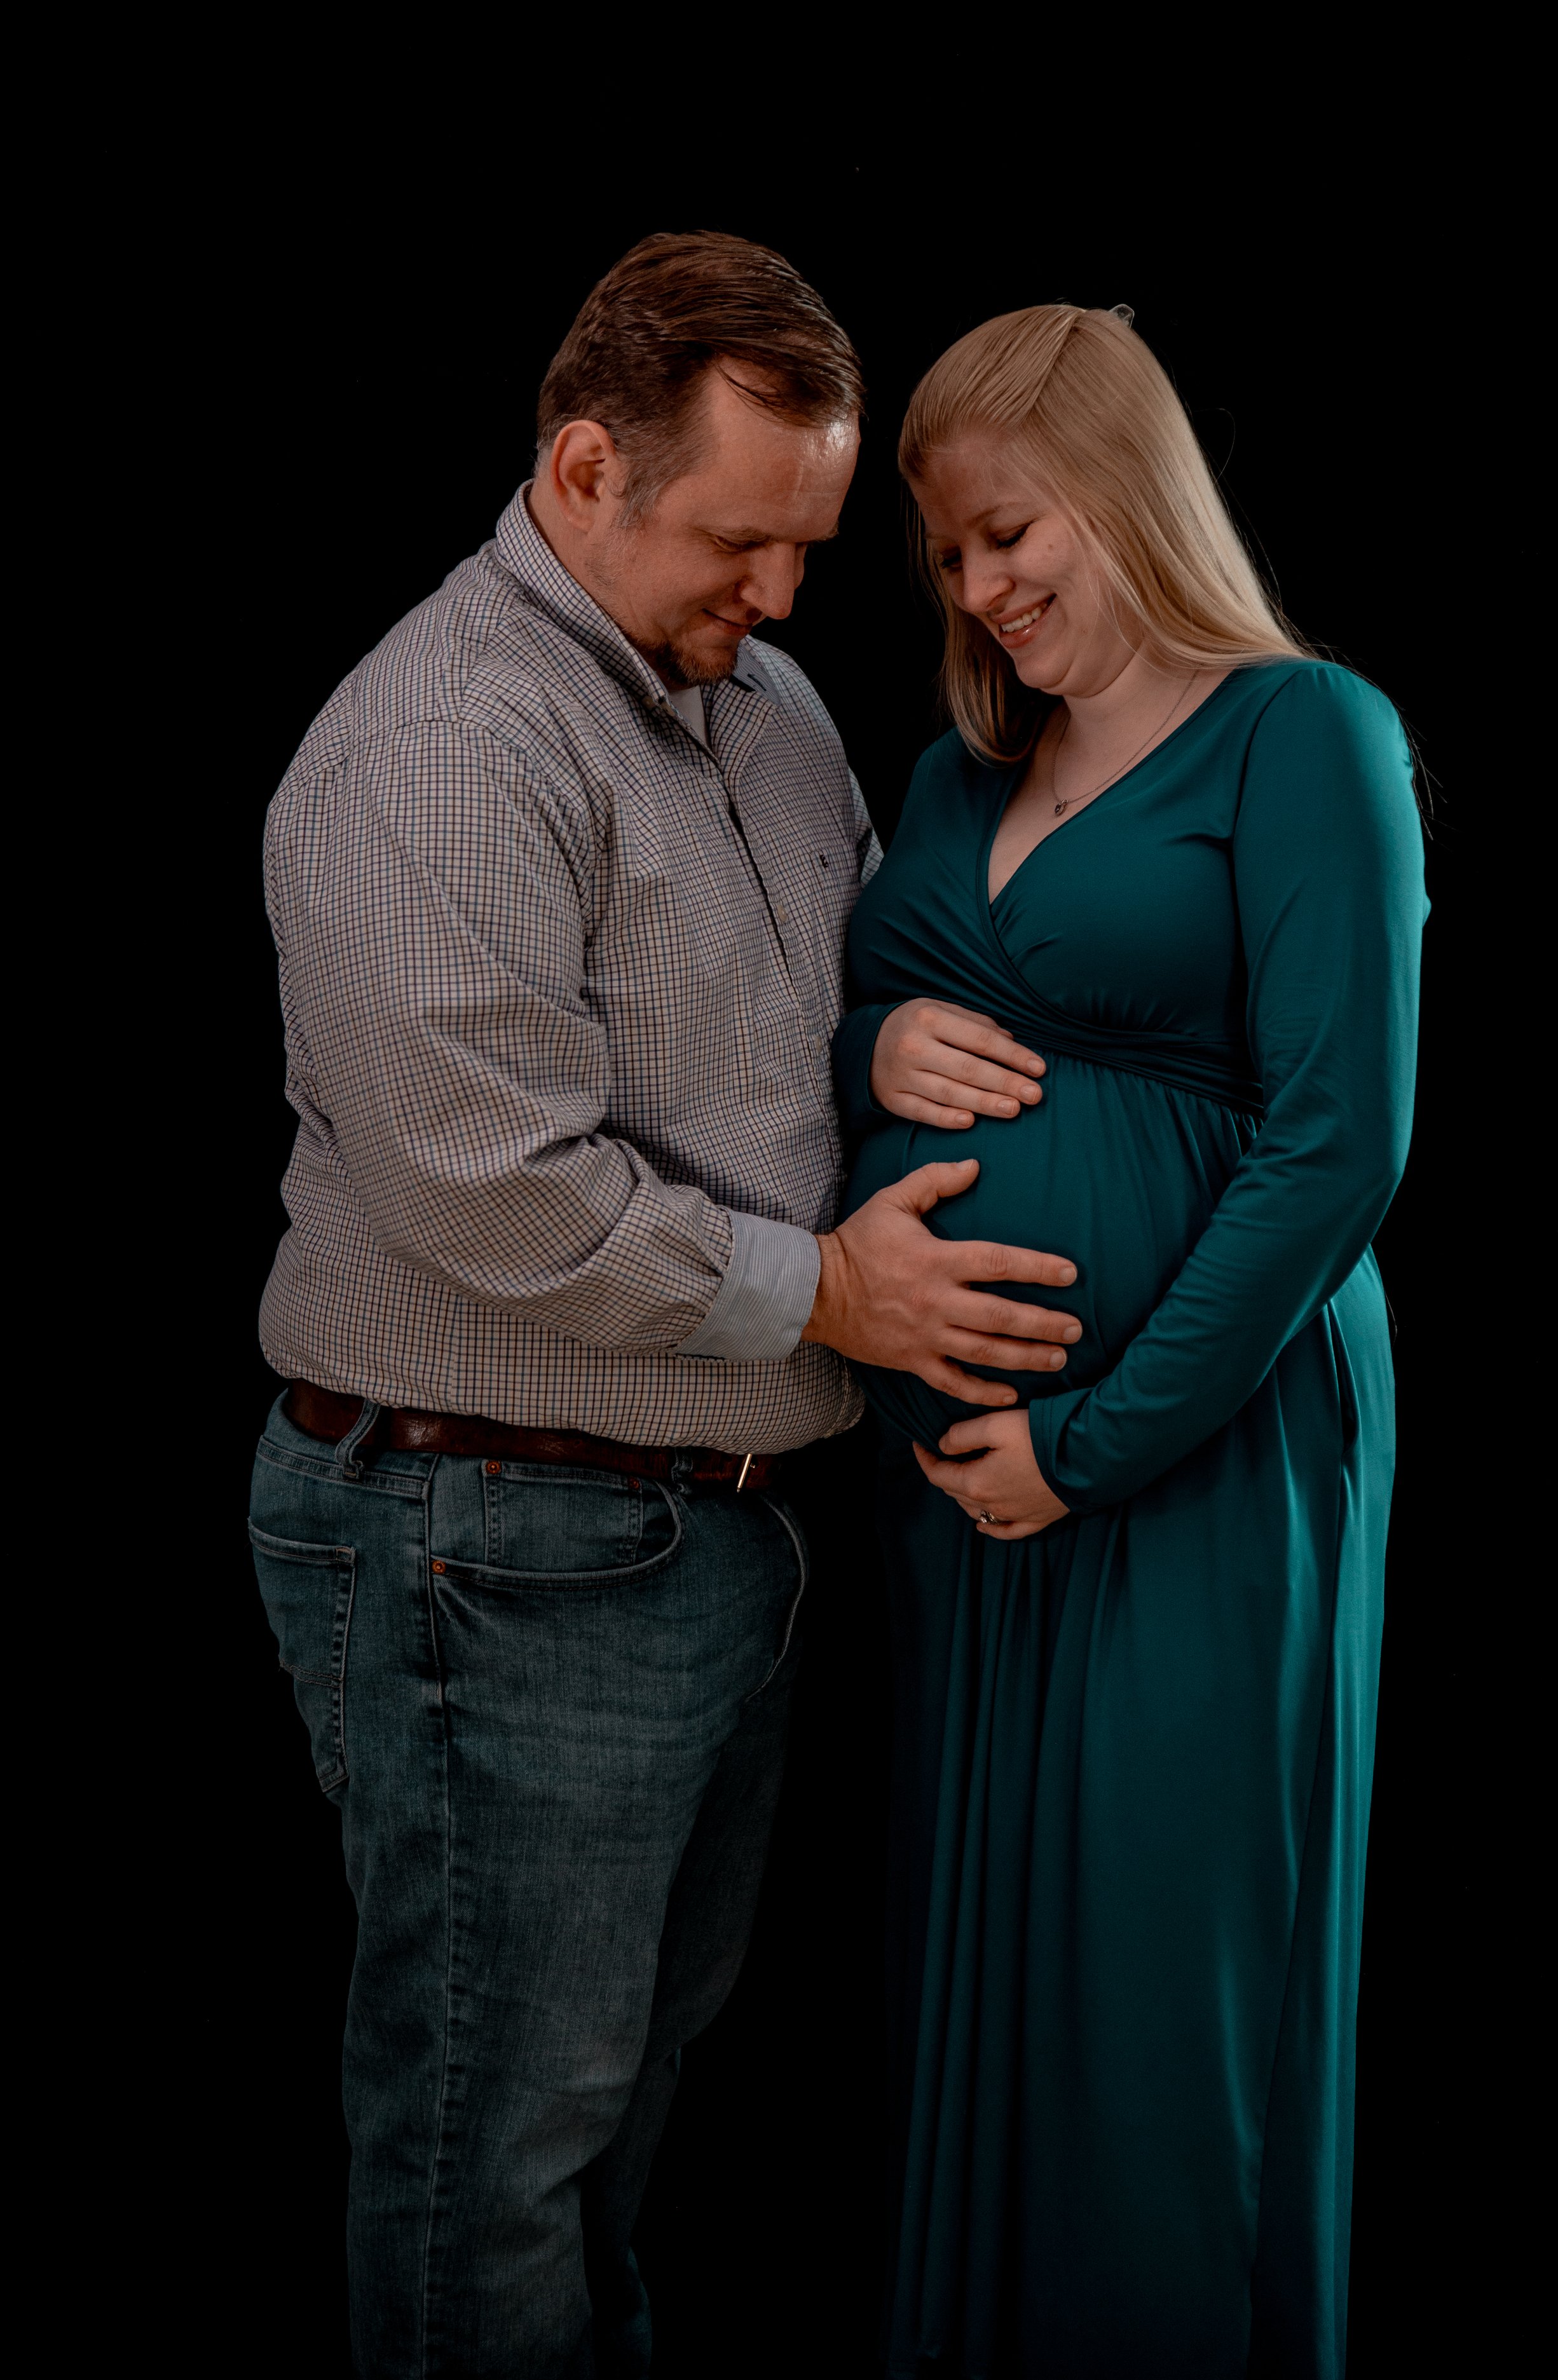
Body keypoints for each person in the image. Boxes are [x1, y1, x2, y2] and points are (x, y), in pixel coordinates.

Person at [247, 233, 1081, 2379]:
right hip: (495, 1537)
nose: (783, 596)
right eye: (740, 542)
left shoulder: (765, 710)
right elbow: (488, 1179)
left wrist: (884, 1042)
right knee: (494, 2148)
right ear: (585, 467)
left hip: (698, 1535)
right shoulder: (449, 740)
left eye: (810, 547)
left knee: (610, 2140)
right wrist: (833, 1290)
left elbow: (811, 1007)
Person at [834, 303, 1426, 2378]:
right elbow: (855, 1028)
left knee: (1162, 2013)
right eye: (950, 557)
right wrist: (870, 1041)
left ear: (1123, 487)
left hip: (1195, 1455)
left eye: (1009, 532)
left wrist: (1090, 1437)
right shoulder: (955, 771)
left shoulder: (1303, 735)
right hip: (963, 1508)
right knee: (989, 1980)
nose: (982, 590)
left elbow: (1338, 1140)